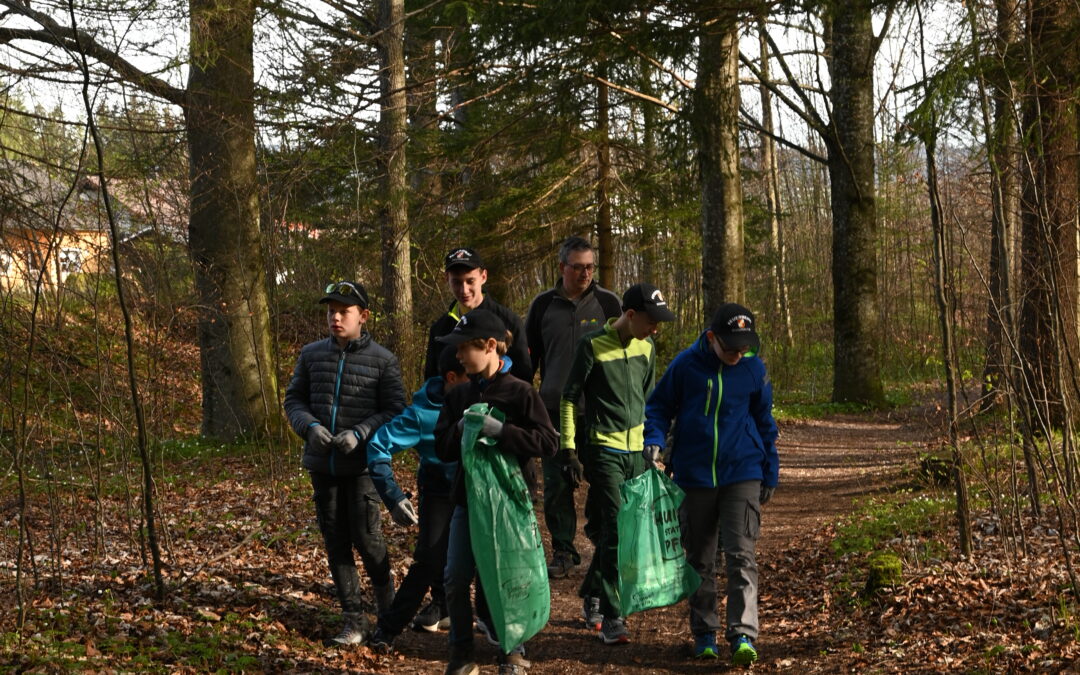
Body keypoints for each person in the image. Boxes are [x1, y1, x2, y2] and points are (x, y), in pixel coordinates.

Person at [643, 303, 779, 666]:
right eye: (730, 347)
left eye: (744, 348)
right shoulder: (686, 366)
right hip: (694, 475)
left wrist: (771, 469)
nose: (737, 354)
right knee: (700, 560)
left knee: (741, 555)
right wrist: (654, 439)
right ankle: (704, 634)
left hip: (743, 472)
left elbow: (765, 422)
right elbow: (658, 407)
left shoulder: (753, 369)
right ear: (711, 338)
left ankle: (743, 635)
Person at [433, 310, 559, 675]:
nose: (457, 356)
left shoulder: (521, 392)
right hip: (467, 502)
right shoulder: (458, 396)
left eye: (463, 349)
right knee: (456, 577)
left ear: (489, 346)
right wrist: (458, 429)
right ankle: (461, 654)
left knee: (508, 577)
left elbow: (548, 443)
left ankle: (512, 650)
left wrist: (501, 431)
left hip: (509, 503)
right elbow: (441, 447)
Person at [283, 280, 406, 646]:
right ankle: (354, 618)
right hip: (323, 466)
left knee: (368, 541)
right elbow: (294, 401)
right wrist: (310, 427)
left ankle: (389, 614)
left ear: (363, 316)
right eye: (331, 311)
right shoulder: (311, 354)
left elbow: (395, 411)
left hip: (364, 468)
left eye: (344, 311)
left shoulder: (383, 360)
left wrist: (361, 432)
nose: (335, 318)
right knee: (335, 542)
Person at [559, 283, 675, 645]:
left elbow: (647, 398)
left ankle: (594, 590)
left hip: (637, 454)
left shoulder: (647, 347)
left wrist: (653, 445)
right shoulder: (591, 345)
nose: (656, 328)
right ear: (630, 315)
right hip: (603, 450)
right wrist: (568, 450)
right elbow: (568, 398)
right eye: (651, 321)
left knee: (624, 532)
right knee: (615, 530)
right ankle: (612, 614)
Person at [524, 236, 622, 580]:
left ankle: (602, 544)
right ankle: (563, 550)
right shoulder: (542, 306)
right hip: (551, 410)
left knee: (602, 480)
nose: (585, 273)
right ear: (562, 267)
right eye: (578, 267)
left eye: (590, 267)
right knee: (556, 485)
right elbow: (528, 359)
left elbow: (625, 356)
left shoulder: (609, 303)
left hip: (598, 412)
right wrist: (524, 403)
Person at [365, 346, 468, 651]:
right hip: (440, 489)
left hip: (480, 488)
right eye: (469, 376)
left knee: (485, 558)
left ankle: (504, 638)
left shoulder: (485, 391)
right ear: (451, 377)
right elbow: (378, 447)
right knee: (429, 558)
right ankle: (387, 629)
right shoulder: (422, 415)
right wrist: (393, 496)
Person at [423, 246, 531, 383]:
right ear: (447, 279)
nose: (464, 290)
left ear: (483, 277)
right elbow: (432, 381)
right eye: (456, 282)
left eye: (470, 281)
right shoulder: (439, 329)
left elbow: (524, 377)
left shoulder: (509, 321)